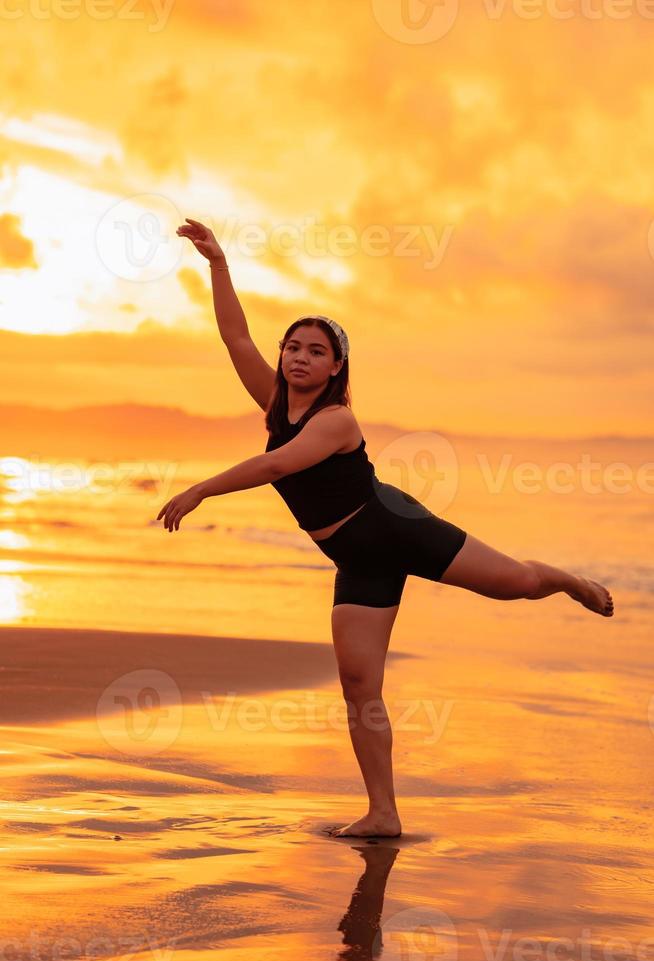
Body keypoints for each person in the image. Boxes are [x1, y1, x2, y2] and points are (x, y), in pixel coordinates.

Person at [157, 218, 614, 839]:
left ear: (337, 367)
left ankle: (563, 579)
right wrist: (217, 263)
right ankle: (383, 811)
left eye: (317, 351)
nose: (300, 358)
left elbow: (275, 464)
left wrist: (202, 487)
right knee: (357, 682)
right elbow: (236, 337)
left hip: (396, 527)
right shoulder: (274, 401)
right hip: (356, 559)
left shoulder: (337, 419)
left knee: (513, 583)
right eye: (294, 347)